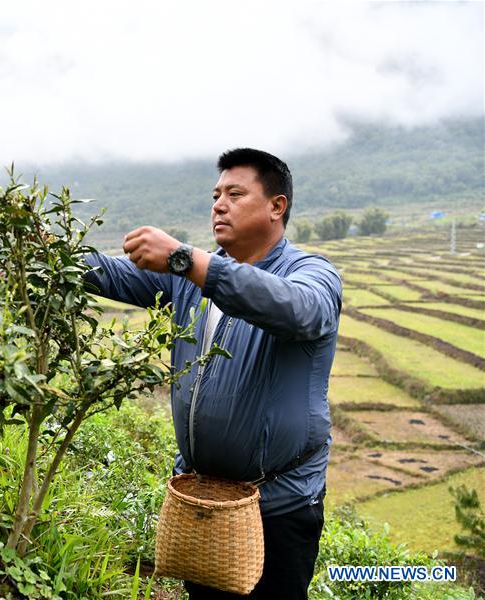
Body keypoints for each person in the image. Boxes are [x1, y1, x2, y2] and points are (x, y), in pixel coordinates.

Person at [85, 148, 342, 599]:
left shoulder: (310, 273)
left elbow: (300, 311)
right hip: (203, 500)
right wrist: (44, 250)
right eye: (215, 194)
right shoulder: (191, 278)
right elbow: (112, 275)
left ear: (276, 207)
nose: (219, 204)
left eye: (235, 193)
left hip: (277, 509)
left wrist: (190, 260)